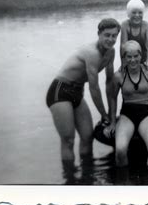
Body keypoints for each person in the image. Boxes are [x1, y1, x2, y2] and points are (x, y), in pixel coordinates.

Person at [46, 18, 120, 163]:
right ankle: (70, 179)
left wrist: (111, 115)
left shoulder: (111, 52)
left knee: (87, 137)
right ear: (99, 34)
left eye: (114, 36)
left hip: (77, 92)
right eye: (107, 35)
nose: (110, 39)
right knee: (68, 140)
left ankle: (87, 176)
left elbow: (109, 83)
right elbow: (94, 88)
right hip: (60, 91)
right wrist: (104, 115)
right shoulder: (92, 53)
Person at [110, 41, 148, 167]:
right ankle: (123, 182)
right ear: (124, 58)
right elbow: (113, 98)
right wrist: (112, 122)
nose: (133, 60)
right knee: (121, 150)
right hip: (127, 114)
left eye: (136, 56)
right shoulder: (118, 76)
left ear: (141, 56)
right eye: (129, 56)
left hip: (146, 113)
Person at [120, 0, 148, 68]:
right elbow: (123, 45)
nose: (137, 15)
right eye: (134, 12)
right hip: (130, 59)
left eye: (140, 13)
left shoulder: (146, 25)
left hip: (143, 58)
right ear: (128, 13)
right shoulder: (125, 25)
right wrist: (123, 63)